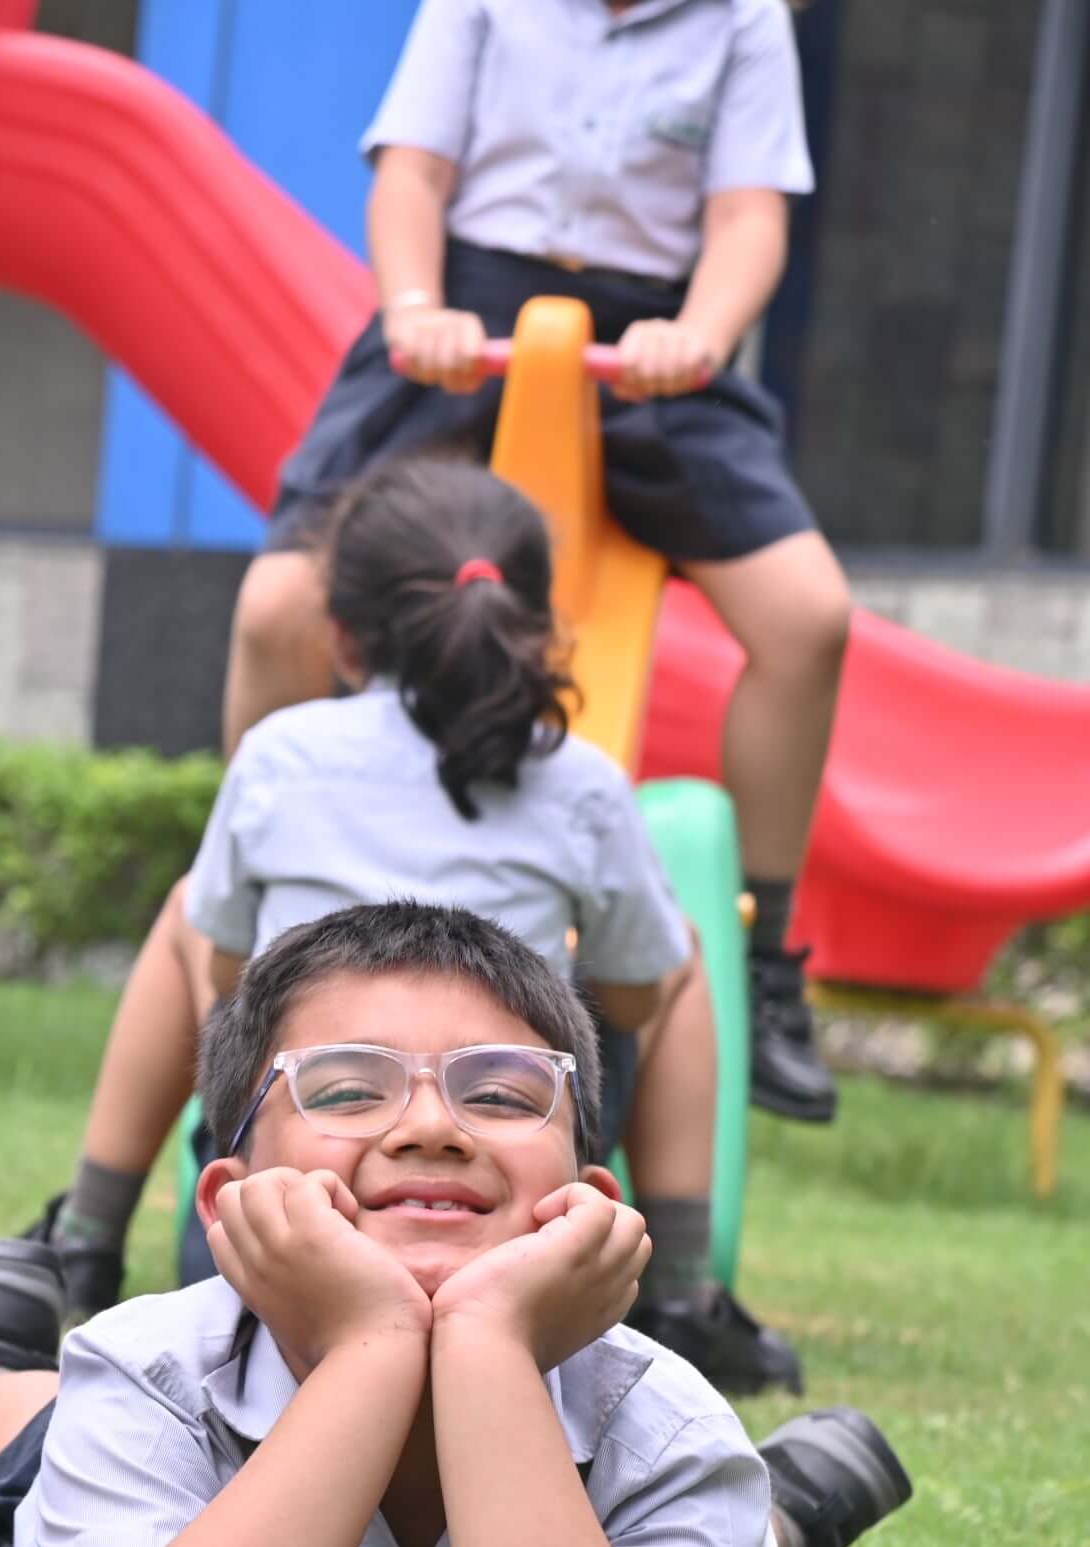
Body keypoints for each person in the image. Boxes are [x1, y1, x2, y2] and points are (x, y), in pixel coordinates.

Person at [0, 903, 908, 1547]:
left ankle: (779, 1521)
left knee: (729, 1536)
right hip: (111, 1448)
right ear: (228, 1202)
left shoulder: (667, 1429)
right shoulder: (150, 1373)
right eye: (345, 1090)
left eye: (499, 1095)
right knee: (5, 1424)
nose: (429, 1129)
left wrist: (488, 1342)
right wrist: (373, 1345)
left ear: (588, 1206)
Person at [0, 457, 796, 1393]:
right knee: (673, 956)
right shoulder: (581, 781)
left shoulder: (280, 754)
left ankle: (84, 1239)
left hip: (276, 1232)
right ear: (534, 626)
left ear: (345, 638)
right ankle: (683, 1295)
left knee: (194, 910)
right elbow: (634, 998)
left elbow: (230, 976)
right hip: (506, 1230)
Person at [226, 0, 850, 1124]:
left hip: (650, 342)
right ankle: (240, 914)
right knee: (278, 606)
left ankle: (766, 960)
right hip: (466, 320)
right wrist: (416, 308)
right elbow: (413, 174)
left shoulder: (742, 19)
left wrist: (700, 337)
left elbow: (748, 217)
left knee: (810, 618)